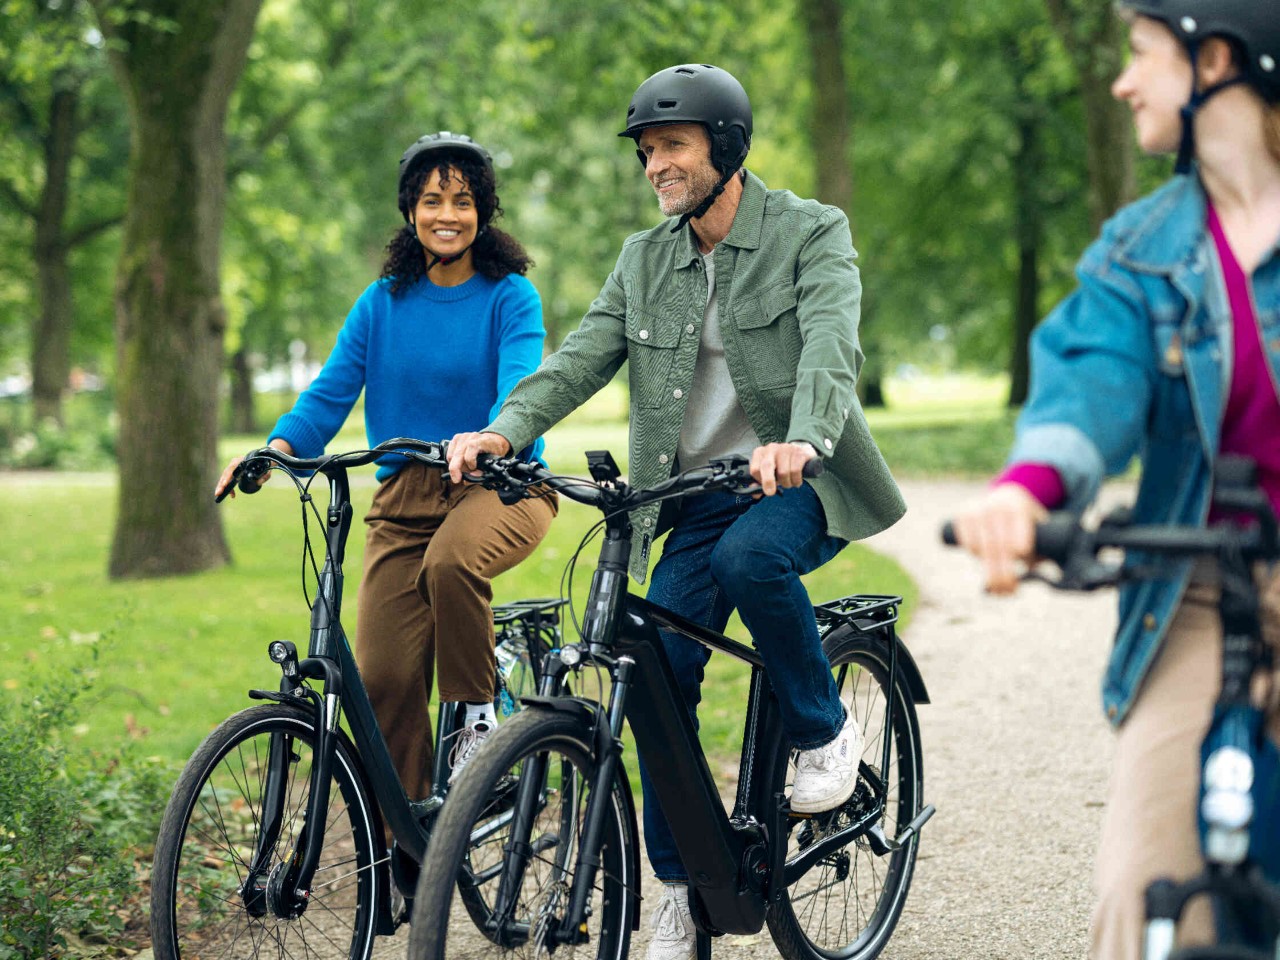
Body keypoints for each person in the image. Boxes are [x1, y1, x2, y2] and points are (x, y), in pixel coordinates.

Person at [446, 64, 905, 960]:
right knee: (653, 679)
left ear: (725, 150)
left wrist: (802, 438)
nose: (656, 165)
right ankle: (676, 891)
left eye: (673, 147)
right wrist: (505, 432)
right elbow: (580, 358)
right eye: (648, 151)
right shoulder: (644, 259)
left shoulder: (811, 232)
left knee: (751, 562)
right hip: (688, 501)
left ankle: (823, 729)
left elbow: (829, 347)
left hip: (797, 483)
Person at [951, 3, 1280, 956]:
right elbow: (1093, 382)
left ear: (1216, 61)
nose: (1122, 81)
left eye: (1143, 55)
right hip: (1200, 596)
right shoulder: (1141, 249)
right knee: (1143, 900)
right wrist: (1027, 489)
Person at [215, 131, 558, 803]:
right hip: (403, 501)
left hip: (501, 487)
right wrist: (274, 452)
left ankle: (480, 726)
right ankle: (410, 853)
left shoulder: (510, 297)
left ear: (483, 212)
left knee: (452, 563)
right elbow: (329, 392)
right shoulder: (382, 303)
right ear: (410, 212)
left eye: (463, 201)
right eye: (433, 200)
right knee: (384, 683)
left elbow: (521, 387)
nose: (448, 215)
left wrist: (490, 437)